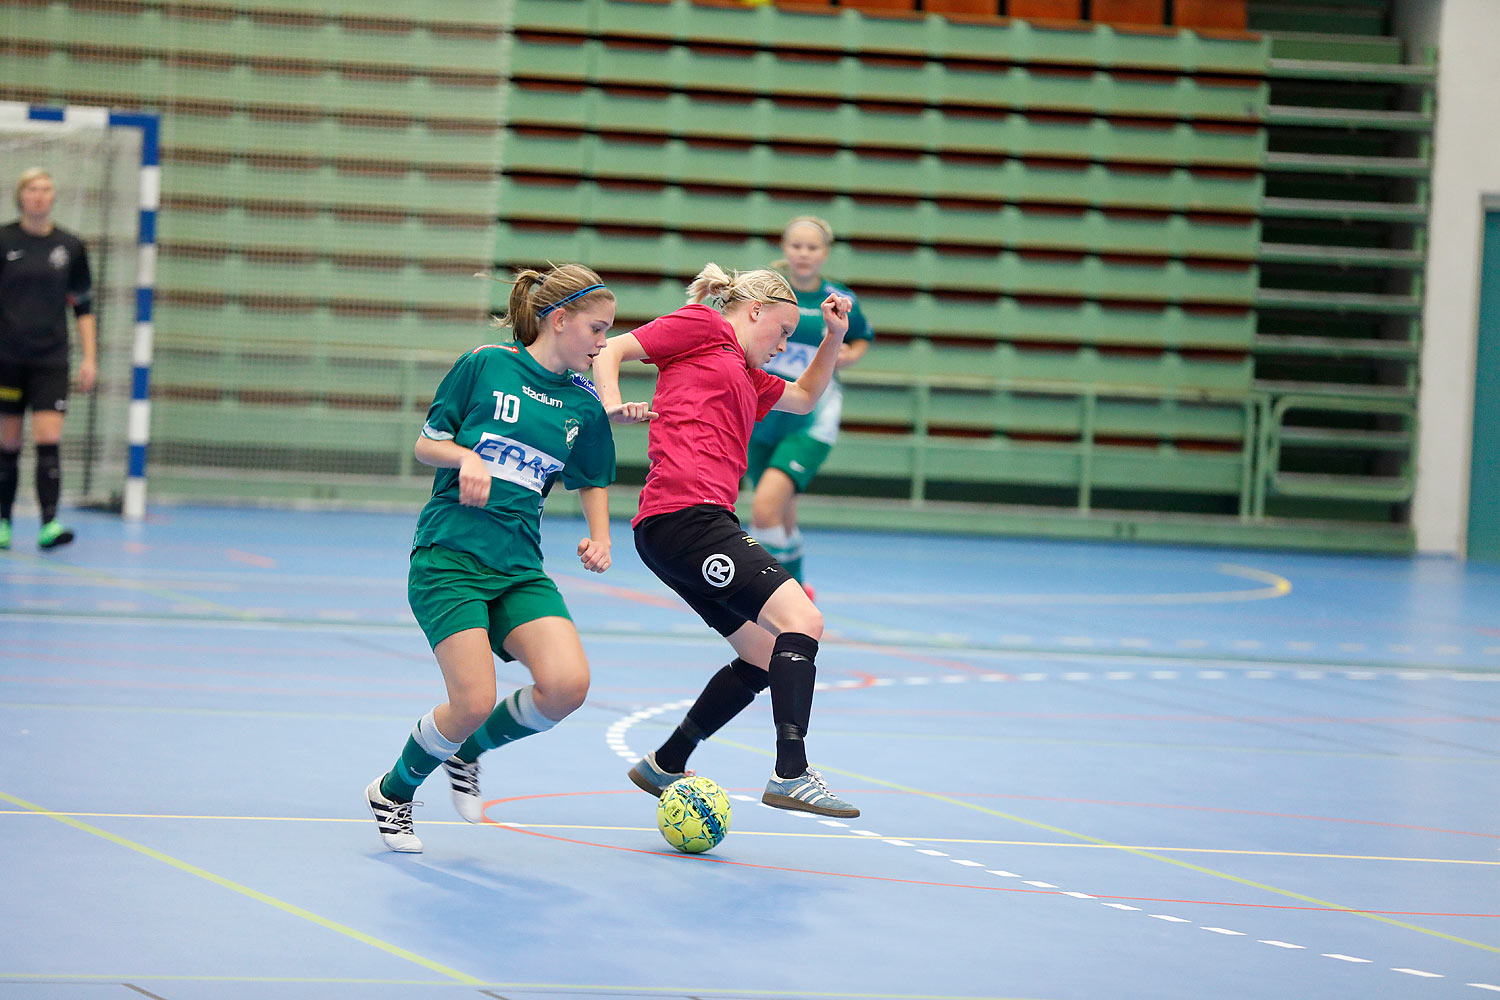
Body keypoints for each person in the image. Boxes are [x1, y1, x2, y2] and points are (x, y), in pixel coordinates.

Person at [366, 263, 654, 853]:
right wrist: (464, 459)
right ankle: (394, 792)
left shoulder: (582, 405)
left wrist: (600, 536)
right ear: (558, 319)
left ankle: (467, 751)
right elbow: (426, 443)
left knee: (567, 686)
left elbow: (593, 477)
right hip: (450, 558)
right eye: (597, 331)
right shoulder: (486, 365)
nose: (604, 345)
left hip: (519, 566)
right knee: (472, 699)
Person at [591, 262, 861, 818]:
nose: (785, 344)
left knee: (764, 657)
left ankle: (667, 760)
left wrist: (833, 335)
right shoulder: (703, 327)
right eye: (783, 332)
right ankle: (791, 771)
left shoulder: (749, 376)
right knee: (802, 622)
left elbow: (807, 395)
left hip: (686, 527)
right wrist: (610, 403)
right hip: (685, 518)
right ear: (754, 310)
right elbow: (613, 348)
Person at [748, 216, 873, 599]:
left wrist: (845, 355)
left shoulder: (837, 297)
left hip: (810, 418)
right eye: (796, 246)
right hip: (761, 413)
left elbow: (860, 338)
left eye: (812, 247)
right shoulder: (766, 290)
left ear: (826, 253)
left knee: (764, 511)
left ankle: (773, 594)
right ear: (784, 247)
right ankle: (798, 587)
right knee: (783, 513)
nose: (803, 254)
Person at [0, 167, 98, 550]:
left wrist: (90, 357)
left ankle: (49, 524)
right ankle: (4, 523)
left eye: (46, 189)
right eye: (32, 190)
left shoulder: (70, 247)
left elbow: (83, 307)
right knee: (8, 443)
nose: (39, 196)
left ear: (53, 196)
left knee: (48, 438)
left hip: (51, 359)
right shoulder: (4, 240)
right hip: (7, 357)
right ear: (21, 196)